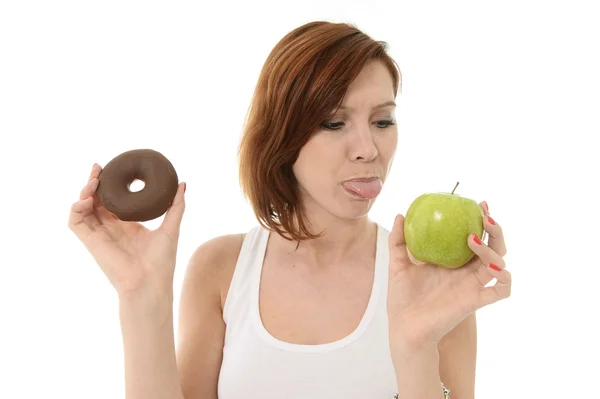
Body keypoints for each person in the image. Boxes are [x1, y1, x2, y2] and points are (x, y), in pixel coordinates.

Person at [68, 21, 511, 399]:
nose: (368, 149)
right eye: (334, 123)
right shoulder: (221, 269)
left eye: (382, 120)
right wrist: (140, 292)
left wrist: (416, 347)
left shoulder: (432, 279)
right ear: (282, 135)